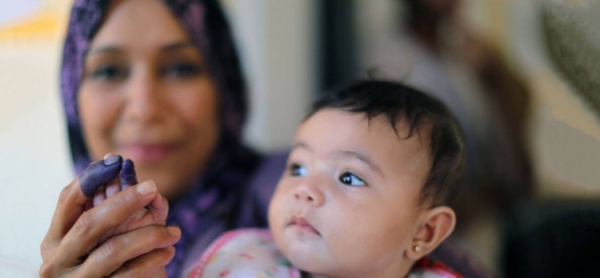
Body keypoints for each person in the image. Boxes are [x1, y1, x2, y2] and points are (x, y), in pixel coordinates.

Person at [40, 0, 262, 277]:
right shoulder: (61, 250)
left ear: (225, 87)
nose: (144, 109)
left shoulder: (300, 210)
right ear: (72, 91)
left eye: (180, 68)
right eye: (109, 71)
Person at [188, 80, 467, 277]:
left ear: (424, 231)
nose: (304, 189)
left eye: (349, 178)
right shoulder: (244, 263)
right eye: (297, 168)